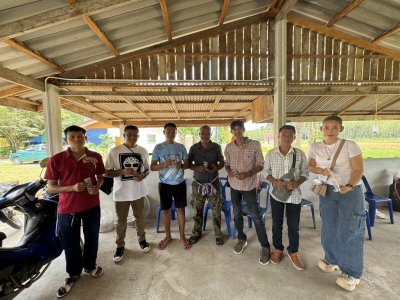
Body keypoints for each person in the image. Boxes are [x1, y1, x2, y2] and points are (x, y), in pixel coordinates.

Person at [45, 125, 105, 298]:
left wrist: (97, 186)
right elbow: (50, 188)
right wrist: (71, 187)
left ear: (85, 138)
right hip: (67, 208)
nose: (77, 139)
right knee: (70, 243)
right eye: (72, 137)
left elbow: (101, 177)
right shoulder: (56, 159)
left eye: (80, 136)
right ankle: (73, 274)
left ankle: (90, 266)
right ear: (66, 139)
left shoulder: (95, 157)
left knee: (92, 237)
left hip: (92, 205)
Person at [308, 115, 364, 292]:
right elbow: (310, 165)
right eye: (326, 127)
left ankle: (352, 273)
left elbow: (358, 169)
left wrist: (349, 185)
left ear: (341, 129)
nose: (330, 131)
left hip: (349, 192)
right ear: (321, 130)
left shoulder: (349, 145)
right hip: (327, 191)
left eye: (334, 127)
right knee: (329, 226)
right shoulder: (315, 146)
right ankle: (331, 259)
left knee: (351, 230)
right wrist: (321, 170)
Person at [224, 120, 271, 265]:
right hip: (234, 186)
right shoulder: (229, 147)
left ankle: (265, 246)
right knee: (237, 214)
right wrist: (229, 172)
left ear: (244, 130)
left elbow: (260, 165)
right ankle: (241, 239)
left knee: (256, 216)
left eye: (239, 129)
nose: (237, 131)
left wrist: (248, 173)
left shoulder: (255, 144)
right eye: (234, 129)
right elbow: (227, 164)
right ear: (232, 132)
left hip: (249, 186)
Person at [264, 125, 309, 270]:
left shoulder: (300, 154)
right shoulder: (271, 154)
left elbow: (305, 173)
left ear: (294, 138)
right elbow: (265, 172)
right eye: (284, 135)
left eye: (290, 135)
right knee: (276, 224)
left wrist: (297, 183)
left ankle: (293, 252)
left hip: (294, 196)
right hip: (276, 194)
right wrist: (275, 181)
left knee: (293, 226)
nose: (287, 138)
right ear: (278, 137)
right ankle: (277, 249)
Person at [105, 125, 151, 263]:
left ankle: (142, 240)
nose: (132, 137)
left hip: (138, 191)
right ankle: (120, 246)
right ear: (124, 135)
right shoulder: (114, 151)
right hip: (121, 193)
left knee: (140, 218)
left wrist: (143, 175)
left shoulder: (142, 150)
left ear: (138, 136)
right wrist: (121, 172)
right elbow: (106, 172)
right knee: (121, 221)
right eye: (129, 135)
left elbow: (147, 169)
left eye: (134, 135)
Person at [150, 123, 191, 250]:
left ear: (176, 132)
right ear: (164, 132)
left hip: (179, 183)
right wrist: (163, 164)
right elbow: (152, 167)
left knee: (180, 210)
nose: (171, 134)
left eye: (173, 132)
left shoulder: (181, 147)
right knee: (166, 211)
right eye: (168, 132)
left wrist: (181, 165)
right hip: (164, 185)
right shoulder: (158, 147)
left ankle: (182, 236)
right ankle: (168, 236)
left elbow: (188, 164)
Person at [188, 125, 225, 245]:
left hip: (213, 183)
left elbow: (222, 163)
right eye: (202, 133)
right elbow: (188, 163)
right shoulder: (194, 148)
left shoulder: (216, 147)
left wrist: (216, 167)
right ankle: (196, 233)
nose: (205, 135)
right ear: (199, 135)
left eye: (207, 133)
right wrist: (196, 168)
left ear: (210, 134)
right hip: (198, 184)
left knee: (216, 209)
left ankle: (218, 234)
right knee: (197, 210)